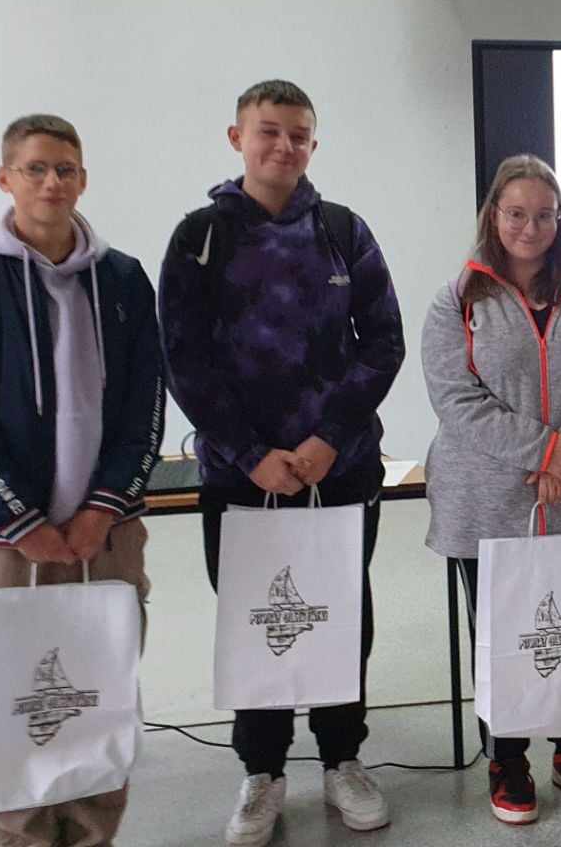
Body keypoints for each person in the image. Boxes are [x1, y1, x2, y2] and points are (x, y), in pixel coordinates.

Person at [158, 80, 405, 842]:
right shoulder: (200, 237)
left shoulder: (343, 231)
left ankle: (342, 758)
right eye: (268, 131)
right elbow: (183, 359)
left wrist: (329, 437)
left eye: (298, 135)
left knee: (340, 611)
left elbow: (383, 342)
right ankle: (261, 772)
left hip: (340, 467)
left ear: (313, 145)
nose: (283, 146)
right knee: (258, 616)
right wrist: (249, 452)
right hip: (241, 476)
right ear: (237, 138)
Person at [0, 114, 165, 847]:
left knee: (96, 690)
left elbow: (146, 404)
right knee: (16, 698)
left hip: (105, 535)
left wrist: (101, 508)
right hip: (9, 542)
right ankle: (21, 836)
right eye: (35, 169)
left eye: (65, 169)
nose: (52, 182)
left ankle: (94, 834)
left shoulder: (122, 279)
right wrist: (21, 520)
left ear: (83, 180)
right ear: (6, 178)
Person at [421, 154, 561, 825]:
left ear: (560, 218)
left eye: (545, 215)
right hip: (490, 496)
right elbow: (455, 397)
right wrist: (543, 450)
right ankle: (507, 758)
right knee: (503, 630)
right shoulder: (457, 298)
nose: (530, 227)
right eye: (516, 213)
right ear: (494, 214)